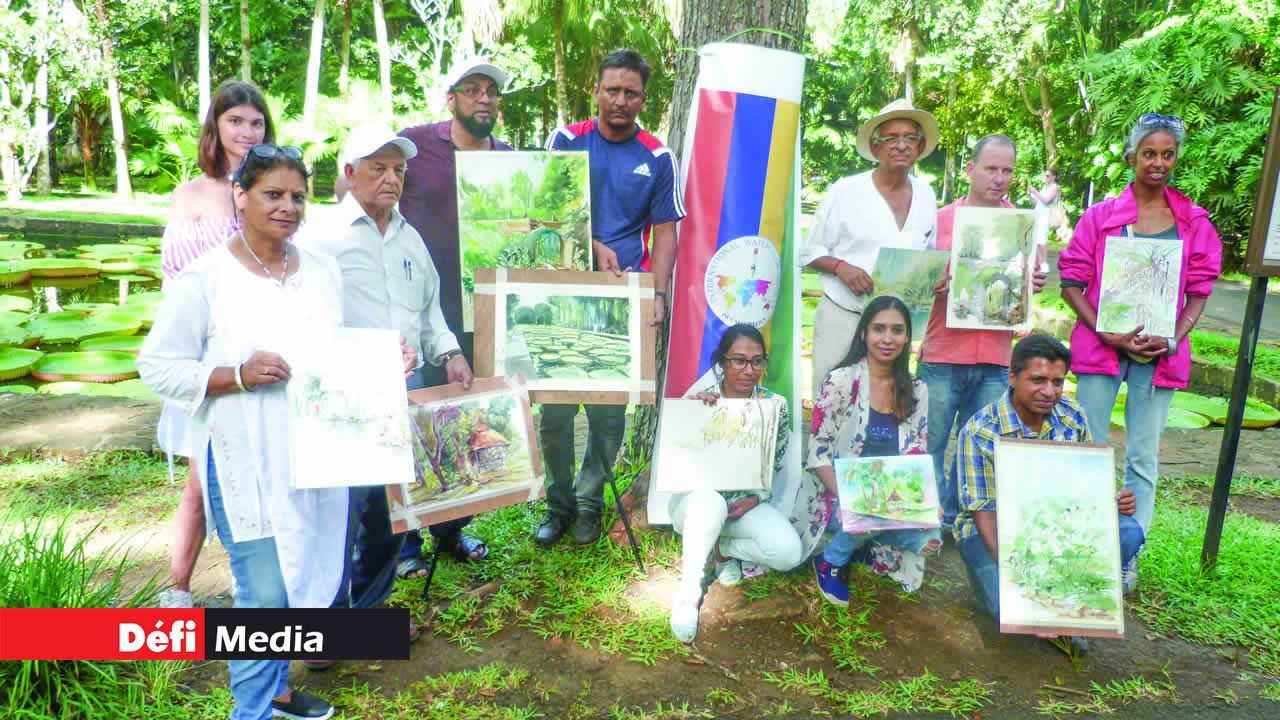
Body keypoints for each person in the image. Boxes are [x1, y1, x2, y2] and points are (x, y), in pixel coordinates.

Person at [139, 145, 410, 720]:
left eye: (297, 197)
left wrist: (387, 360)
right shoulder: (206, 279)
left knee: (301, 578)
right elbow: (157, 365)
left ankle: (279, 693)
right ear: (240, 195)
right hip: (243, 457)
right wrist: (235, 375)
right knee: (263, 593)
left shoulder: (321, 270)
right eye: (273, 194)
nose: (287, 207)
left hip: (317, 455)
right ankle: (252, 711)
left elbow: (332, 355)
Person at [300, 124, 473, 635]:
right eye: (378, 168)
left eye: (398, 170)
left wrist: (451, 352)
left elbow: (430, 309)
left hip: (405, 387)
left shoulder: (410, 237)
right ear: (350, 173)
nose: (391, 179)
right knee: (344, 509)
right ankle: (324, 625)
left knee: (390, 507)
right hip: (346, 393)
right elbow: (305, 315)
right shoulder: (321, 239)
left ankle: (370, 609)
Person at [1059, 113, 1221, 588]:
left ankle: (1127, 552)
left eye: (1167, 154)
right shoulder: (1100, 218)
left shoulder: (1191, 221)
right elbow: (1070, 281)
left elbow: (1200, 290)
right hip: (1102, 350)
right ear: (1131, 157)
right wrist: (1105, 331)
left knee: (1143, 456)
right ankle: (1080, 542)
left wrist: (1172, 337)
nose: (1158, 162)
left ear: (1175, 159)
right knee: (1088, 447)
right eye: (1149, 153)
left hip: (1159, 356)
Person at [534, 48, 685, 547]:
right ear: (595, 91)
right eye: (612, 90)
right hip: (560, 290)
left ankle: (588, 506)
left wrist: (657, 295)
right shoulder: (566, 139)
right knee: (554, 409)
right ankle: (555, 506)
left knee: (607, 411)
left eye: (631, 93)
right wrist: (589, 245)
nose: (620, 100)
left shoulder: (658, 156)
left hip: (622, 299)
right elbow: (543, 214)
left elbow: (666, 232)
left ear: (644, 99)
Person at [156, 80, 274, 609]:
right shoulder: (192, 194)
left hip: (259, 354)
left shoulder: (273, 190)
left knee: (253, 476)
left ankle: (246, 577)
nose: (246, 132)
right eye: (235, 122)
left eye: (256, 123)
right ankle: (178, 588)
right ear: (216, 127)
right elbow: (173, 276)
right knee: (203, 480)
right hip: (203, 356)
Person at [953, 334, 1144, 653]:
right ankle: (999, 585)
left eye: (1058, 382)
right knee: (1006, 610)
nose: (1050, 391)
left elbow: (1084, 488)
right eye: (1038, 380)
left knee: (1128, 532)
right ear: (1012, 377)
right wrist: (1022, 583)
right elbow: (984, 513)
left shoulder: (1072, 415)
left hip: (1058, 527)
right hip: (996, 530)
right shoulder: (980, 431)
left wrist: (1113, 501)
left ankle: (1068, 609)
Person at [396, 58, 514, 574]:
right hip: (418, 313)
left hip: (479, 314)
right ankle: (404, 546)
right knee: (409, 424)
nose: (484, 99)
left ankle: (451, 531)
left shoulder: (509, 159)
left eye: (491, 91)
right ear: (452, 99)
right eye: (473, 90)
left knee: (462, 422)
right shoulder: (415, 146)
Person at [917, 135, 1048, 530]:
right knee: (931, 444)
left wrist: (1034, 283)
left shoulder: (1023, 227)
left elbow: (1029, 286)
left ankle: (960, 521)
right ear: (970, 170)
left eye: (1007, 170)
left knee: (977, 448)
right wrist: (932, 281)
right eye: (991, 169)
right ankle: (928, 520)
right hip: (942, 353)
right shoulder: (938, 221)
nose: (999, 178)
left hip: (995, 358)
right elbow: (913, 283)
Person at [668, 324, 803, 643]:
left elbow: (774, 462)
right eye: (739, 360)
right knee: (710, 504)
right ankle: (689, 593)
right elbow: (680, 463)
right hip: (695, 506)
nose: (749, 370)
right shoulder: (700, 399)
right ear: (722, 362)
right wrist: (695, 415)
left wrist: (756, 498)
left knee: (788, 553)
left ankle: (722, 547)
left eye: (757, 361)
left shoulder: (774, 406)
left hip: (744, 505)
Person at [800, 99, 939, 399]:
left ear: (921, 145)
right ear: (875, 148)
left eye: (909, 138)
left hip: (894, 329)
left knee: (885, 407)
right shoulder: (846, 191)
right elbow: (808, 250)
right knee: (833, 400)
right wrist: (841, 268)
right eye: (891, 138)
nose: (901, 145)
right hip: (845, 314)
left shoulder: (927, 195)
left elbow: (928, 256)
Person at [808, 296, 940, 605]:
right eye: (879, 329)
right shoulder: (841, 381)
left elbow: (915, 456)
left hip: (887, 496)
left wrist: (924, 502)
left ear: (907, 337)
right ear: (864, 333)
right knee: (869, 508)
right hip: (839, 495)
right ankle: (832, 558)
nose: (887, 338)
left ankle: (865, 541)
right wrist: (849, 497)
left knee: (932, 536)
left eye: (897, 330)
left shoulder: (918, 390)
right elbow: (817, 454)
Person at [1028, 168, 1062, 271]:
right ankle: (1041, 263)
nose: (1045, 178)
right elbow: (1036, 204)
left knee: (1042, 240)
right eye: (1045, 176)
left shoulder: (1055, 188)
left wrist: (1035, 192)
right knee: (1037, 240)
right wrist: (1030, 195)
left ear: (1053, 177)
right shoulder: (1045, 188)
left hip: (1046, 216)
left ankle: (1044, 264)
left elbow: (1046, 201)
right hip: (1039, 215)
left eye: (1047, 176)